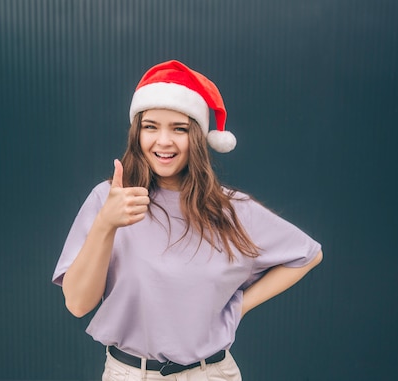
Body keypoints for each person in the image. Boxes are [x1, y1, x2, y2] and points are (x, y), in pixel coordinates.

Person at [52, 60, 323, 381]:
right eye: (150, 126)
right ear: (136, 133)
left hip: (210, 374)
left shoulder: (231, 209)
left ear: (197, 137)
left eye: (178, 129)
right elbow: (78, 305)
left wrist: (238, 306)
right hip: (129, 374)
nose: (163, 141)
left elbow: (308, 254)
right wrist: (105, 224)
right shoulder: (109, 198)